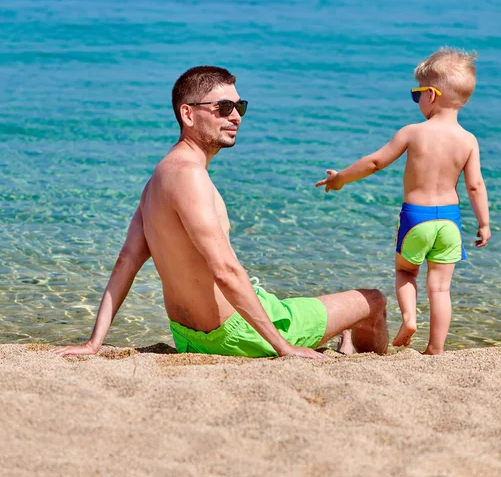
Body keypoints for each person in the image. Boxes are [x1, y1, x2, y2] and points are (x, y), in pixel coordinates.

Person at [54, 66, 388, 359]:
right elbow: (225, 270)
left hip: (188, 337)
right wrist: (283, 348)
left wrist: (94, 343)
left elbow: (127, 260)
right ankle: (361, 358)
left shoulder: (160, 176)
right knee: (373, 301)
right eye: (224, 107)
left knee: (304, 306)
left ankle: (340, 338)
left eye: (239, 106)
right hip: (237, 335)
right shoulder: (190, 176)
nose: (236, 116)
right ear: (188, 114)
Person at [316, 48, 490, 355]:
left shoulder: (412, 132)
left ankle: (409, 318)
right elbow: (475, 186)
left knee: (406, 272)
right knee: (440, 288)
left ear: (432, 95)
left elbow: (374, 163)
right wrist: (484, 223)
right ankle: (435, 349)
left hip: (416, 218)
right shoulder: (468, 140)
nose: (416, 100)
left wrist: (340, 178)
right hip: (450, 221)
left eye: (416, 94)